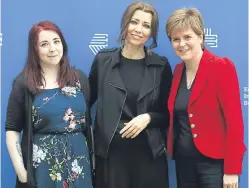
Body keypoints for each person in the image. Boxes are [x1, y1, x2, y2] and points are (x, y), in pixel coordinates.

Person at [88, 2, 172, 188]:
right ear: (125, 23)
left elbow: (169, 115)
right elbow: (84, 103)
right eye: (134, 22)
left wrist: (148, 117)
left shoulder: (161, 66)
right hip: (111, 159)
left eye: (146, 25)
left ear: (152, 32)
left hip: (149, 158)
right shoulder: (103, 61)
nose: (138, 29)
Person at [5, 21, 93, 188]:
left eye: (56, 41)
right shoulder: (24, 84)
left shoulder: (79, 79)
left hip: (79, 165)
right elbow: (12, 130)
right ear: (35, 50)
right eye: (44, 44)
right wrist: (23, 174)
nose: (52, 48)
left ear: (63, 44)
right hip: (42, 170)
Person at [165, 8, 246, 188]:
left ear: (201, 37)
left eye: (187, 37)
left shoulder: (221, 67)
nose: (181, 43)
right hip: (183, 164)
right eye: (175, 39)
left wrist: (232, 170)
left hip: (213, 166)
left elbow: (234, 123)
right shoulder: (178, 71)